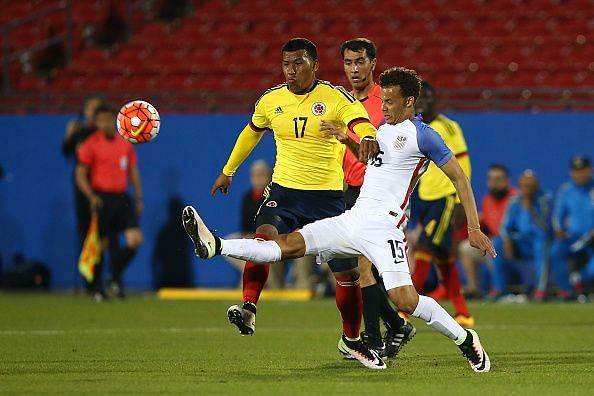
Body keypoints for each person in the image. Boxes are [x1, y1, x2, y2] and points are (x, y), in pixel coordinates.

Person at [183, 67, 494, 373]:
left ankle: (465, 339)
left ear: (409, 101)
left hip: (385, 228)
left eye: (389, 101)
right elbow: (369, 161)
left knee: (405, 299)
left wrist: (474, 228)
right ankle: (216, 245)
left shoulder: (424, 135)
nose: (382, 105)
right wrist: (345, 139)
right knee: (285, 245)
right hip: (352, 219)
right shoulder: (382, 129)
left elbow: (459, 178)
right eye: (382, 100)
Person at [204, 38, 380, 367]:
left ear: (314, 65)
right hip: (284, 193)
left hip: (327, 200)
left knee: (347, 273)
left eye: (298, 63)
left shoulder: (334, 97)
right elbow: (251, 133)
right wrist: (228, 171)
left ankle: (351, 339)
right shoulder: (271, 100)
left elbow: (359, 120)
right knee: (263, 236)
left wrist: (368, 136)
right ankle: (249, 308)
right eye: (286, 64)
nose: (290, 70)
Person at [339, 38, 415, 358]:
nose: (354, 69)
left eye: (360, 62)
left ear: (373, 63)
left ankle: (372, 339)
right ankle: (396, 327)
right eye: (348, 62)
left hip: (377, 193)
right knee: (351, 270)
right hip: (346, 191)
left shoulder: (384, 100)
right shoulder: (340, 101)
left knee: (363, 267)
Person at [411, 81, 474, 327]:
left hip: (446, 198)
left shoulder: (448, 126)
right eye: (419, 98)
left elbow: (462, 164)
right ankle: (463, 311)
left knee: (425, 247)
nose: (423, 102)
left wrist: (460, 202)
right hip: (426, 197)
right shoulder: (416, 128)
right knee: (443, 254)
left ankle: (406, 308)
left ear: (436, 100)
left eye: (428, 97)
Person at [75, 104, 144, 301]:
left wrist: (139, 197)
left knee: (135, 240)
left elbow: (133, 172)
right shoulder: (90, 144)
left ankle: (113, 274)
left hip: (122, 197)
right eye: (102, 120)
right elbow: (80, 175)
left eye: (109, 119)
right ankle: (97, 288)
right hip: (102, 198)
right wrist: (90, 196)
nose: (106, 123)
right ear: (96, 122)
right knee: (101, 245)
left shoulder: (125, 144)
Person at [490, 170, 568, 299]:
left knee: (540, 243)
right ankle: (498, 288)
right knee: (497, 242)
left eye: (530, 185)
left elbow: (544, 227)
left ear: (536, 185)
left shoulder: (544, 200)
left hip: (540, 242)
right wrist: (507, 240)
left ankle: (540, 289)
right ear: (519, 185)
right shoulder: (514, 201)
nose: (527, 188)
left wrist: (530, 205)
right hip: (521, 243)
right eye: (524, 185)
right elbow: (505, 226)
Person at [458, 164, 516, 298]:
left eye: (498, 180)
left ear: (506, 180)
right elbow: (485, 223)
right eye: (491, 180)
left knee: (496, 242)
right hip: (493, 245)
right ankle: (473, 288)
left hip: (511, 245)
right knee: (465, 247)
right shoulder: (487, 200)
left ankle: (499, 289)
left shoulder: (514, 199)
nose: (494, 184)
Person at [550, 155, 594, 293]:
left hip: (592, 237)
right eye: (576, 171)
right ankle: (566, 291)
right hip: (573, 237)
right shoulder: (566, 190)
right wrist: (558, 229)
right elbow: (557, 215)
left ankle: (579, 280)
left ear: (590, 170)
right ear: (571, 173)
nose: (580, 174)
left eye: (583, 170)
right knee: (556, 251)